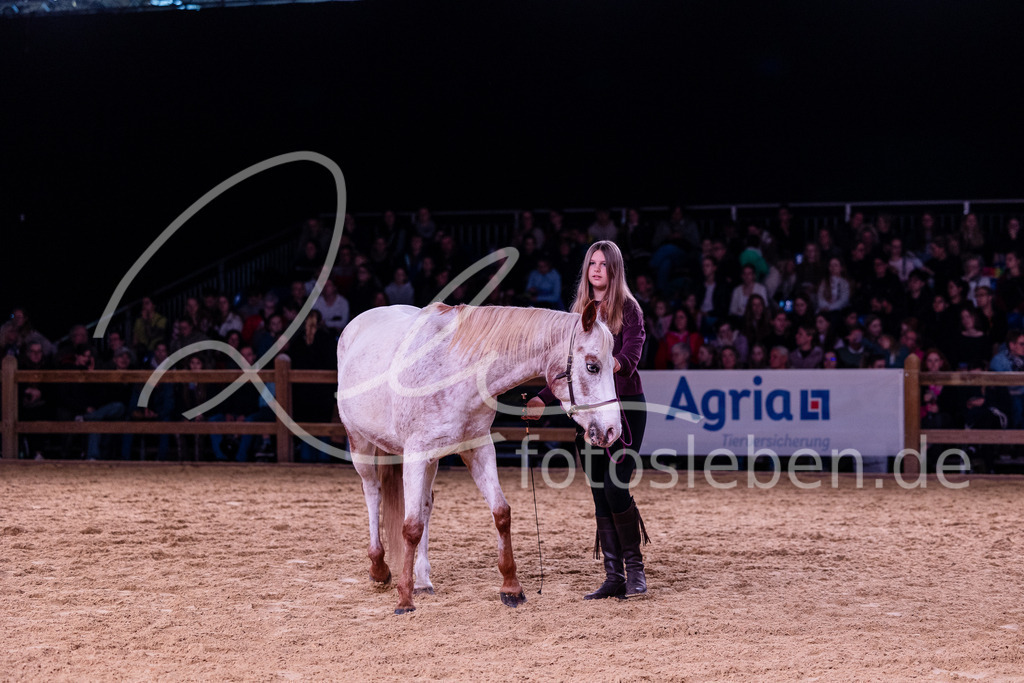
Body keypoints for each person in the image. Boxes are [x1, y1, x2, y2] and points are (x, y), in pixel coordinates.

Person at [525, 240, 649, 600]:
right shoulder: (579, 314)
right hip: (589, 414)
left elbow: (632, 354)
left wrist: (606, 362)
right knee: (598, 491)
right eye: (592, 263)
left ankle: (635, 570)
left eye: (603, 264)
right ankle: (614, 576)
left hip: (625, 407)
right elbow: (570, 369)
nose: (596, 269)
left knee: (615, 487)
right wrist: (542, 397)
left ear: (614, 270)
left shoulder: (629, 309)